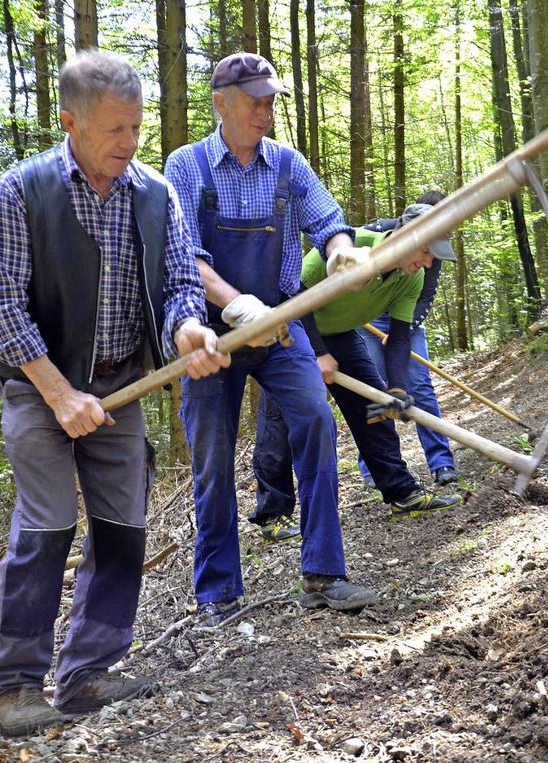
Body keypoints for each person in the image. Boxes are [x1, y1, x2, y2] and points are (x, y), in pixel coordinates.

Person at [0, 49, 230, 738]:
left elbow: (182, 282)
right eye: (115, 130)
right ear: (70, 123)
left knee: (123, 531)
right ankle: (13, 683)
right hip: (39, 387)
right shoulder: (22, 191)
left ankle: (89, 670)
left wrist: (185, 330)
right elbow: (0, 308)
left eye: (137, 127)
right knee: (48, 525)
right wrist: (60, 395)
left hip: (122, 386)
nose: (131, 143)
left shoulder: (156, 194)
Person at [163, 51, 376, 626]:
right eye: (254, 101)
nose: (265, 111)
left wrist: (340, 252)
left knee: (315, 419)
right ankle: (218, 593)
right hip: (207, 338)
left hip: (281, 329)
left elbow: (328, 223)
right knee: (211, 455)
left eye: (270, 101)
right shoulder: (186, 166)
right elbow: (183, 257)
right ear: (221, 103)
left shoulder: (287, 164)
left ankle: (324, 572)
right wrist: (235, 304)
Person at [251, 203, 463, 524]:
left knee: (374, 404)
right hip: (291, 328)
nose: (428, 262)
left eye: (433, 256)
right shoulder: (348, 247)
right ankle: (272, 514)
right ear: (404, 237)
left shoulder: (412, 278)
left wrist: (396, 388)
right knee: (280, 421)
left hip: (339, 332)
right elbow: (292, 295)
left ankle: (401, 492)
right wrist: (317, 353)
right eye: (425, 251)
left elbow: (401, 337)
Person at [359, 190, 459, 488]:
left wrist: (405, 329)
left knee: (419, 387)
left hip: (407, 318)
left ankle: (441, 463)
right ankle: (374, 468)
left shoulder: (434, 249)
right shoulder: (378, 232)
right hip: (368, 318)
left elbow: (426, 295)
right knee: (374, 389)